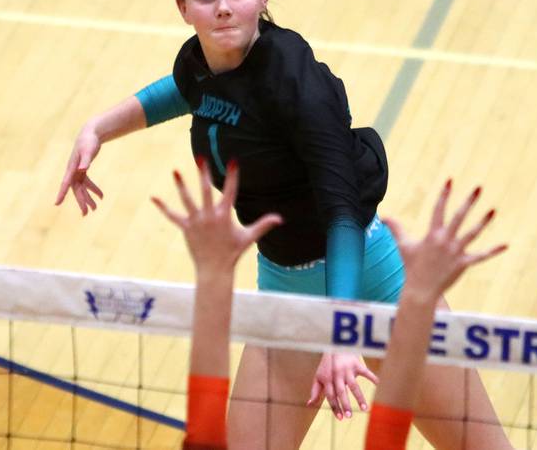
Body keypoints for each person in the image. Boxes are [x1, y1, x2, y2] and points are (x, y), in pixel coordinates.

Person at [55, 0, 514, 450]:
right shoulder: (199, 60)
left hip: (374, 285)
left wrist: (343, 333)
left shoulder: (299, 84)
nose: (223, 8)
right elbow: (184, 90)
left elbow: (342, 213)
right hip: (282, 287)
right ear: (184, 7)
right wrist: (100, 127)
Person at [154, 161, 506, 449]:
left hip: (359, 274)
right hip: (304, 294)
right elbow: (388, 428)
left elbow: (205, 390)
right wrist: (419, 297)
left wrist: (214, 276)